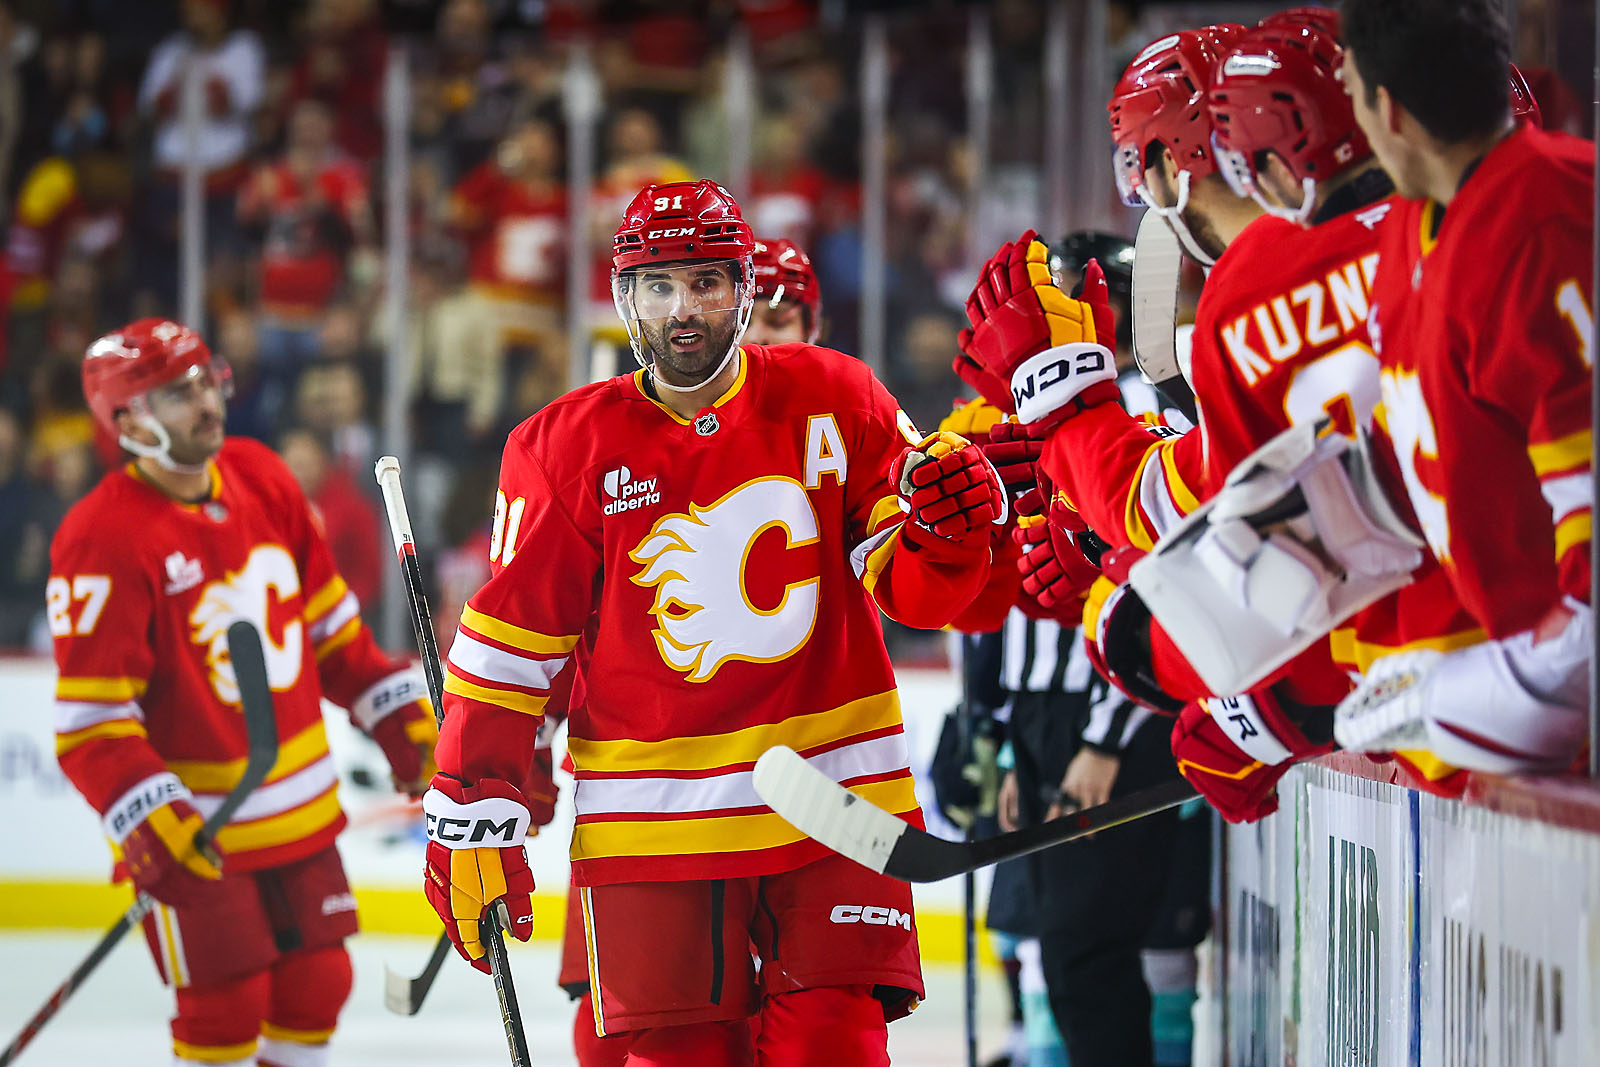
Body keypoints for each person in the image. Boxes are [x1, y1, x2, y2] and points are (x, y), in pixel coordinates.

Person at [419, 179, 1026, 1064]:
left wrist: (949, 535)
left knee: (834, 1050)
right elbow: (511, 649)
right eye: (659, 286)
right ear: (625, 300)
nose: (684, 309)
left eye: (705, 282)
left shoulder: (838, 396)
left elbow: (914, 595)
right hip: (655, 824)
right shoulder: (560, 447)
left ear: (746, 289)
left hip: (832, 802)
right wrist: (474, 800)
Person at [49, 318, 439, 1067]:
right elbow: (93, 723)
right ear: (126, 420)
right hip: (204, 831)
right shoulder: (100, 536)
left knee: (317, 986)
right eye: (174, 393)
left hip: (300, 812)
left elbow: (335, 640)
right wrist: (149, 813)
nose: (204, 402)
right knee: (223, 1008)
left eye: (205, 380)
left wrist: (404, 725)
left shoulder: (262, 474)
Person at [1329, 0, 1592, 774]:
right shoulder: (1415, 226)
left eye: (1351, 93)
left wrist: (1477, 689)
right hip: (1531, 668)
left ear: (1390, 110)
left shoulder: (1550, 220)